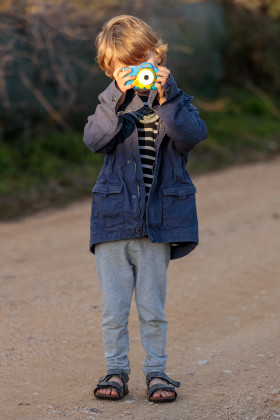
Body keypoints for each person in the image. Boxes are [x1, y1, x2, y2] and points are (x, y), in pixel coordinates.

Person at [83, 15, 208, 403]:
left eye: (144, 62)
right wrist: (117, 98)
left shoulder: (176, 99)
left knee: (153, 307)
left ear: (159, 56)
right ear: (111, 69)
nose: (137, 72)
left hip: (156, 223)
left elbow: (190, 136)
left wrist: (167, 97)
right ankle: (116, 370)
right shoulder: (109, 102)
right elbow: (95, 139)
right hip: (113, 220)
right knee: (114, 309)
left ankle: (157, 372)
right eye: (126, 67)